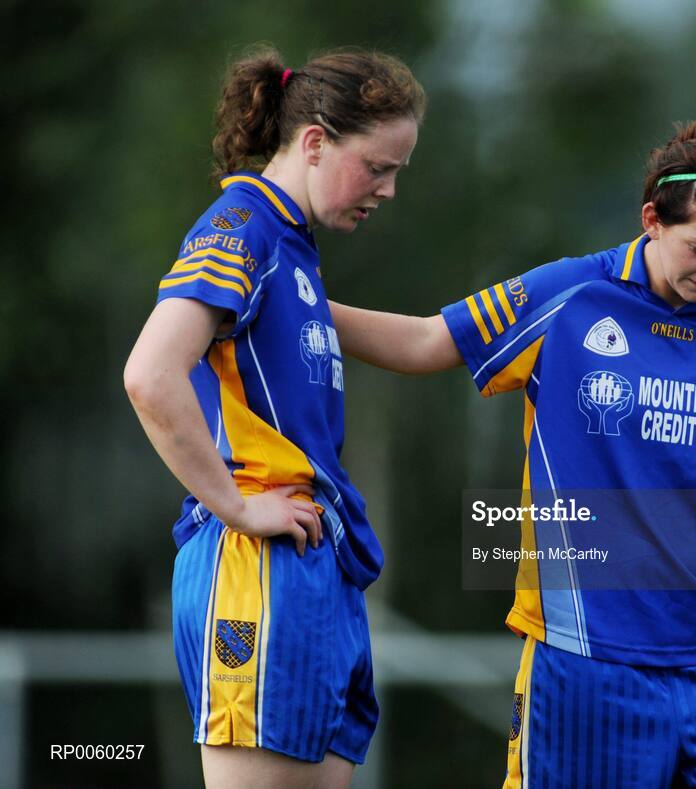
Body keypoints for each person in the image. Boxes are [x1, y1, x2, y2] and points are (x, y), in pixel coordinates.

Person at [330, 121, 696, 787]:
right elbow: (428, 340)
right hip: (585, 661)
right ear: (651, 220)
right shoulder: (572, 295)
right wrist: (300, 306)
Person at [123, 45, 424, 788]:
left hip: (316, 563)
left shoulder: (294, 248)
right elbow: (150, 374)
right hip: (257, 567)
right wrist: (234, 505)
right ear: (315, 141)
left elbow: (419, 340)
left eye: (397, 174)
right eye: (377, 168)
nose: (387, 192)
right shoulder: (243, 225)